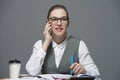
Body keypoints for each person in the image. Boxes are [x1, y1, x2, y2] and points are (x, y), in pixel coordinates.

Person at [26, 4, 100, 78]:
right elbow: (32, 71)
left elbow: (95, 72)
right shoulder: (40, 45)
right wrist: (46, 42)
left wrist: (84, 70)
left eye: (63, 19)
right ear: (48, 23)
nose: (59, 23)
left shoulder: (79, 44)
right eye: (54, 19)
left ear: (68, 23)